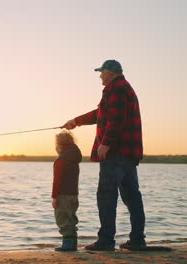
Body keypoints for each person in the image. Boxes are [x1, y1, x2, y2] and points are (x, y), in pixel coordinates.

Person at [62, 60, 146, 251]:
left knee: (106, 197)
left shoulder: (115, 89)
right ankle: (138, 240)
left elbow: (116, 119)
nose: (100, 76)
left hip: (116, 153)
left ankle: (106, 241)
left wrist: (106, 143)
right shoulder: (124, 88)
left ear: (110, 72)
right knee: (132, 197)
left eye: (102, 72)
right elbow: (101, 114)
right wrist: (75, 121)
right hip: (128, 154)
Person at [52, 131, 82, 251]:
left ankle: (68, 245)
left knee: (63, 219)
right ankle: (72, 244)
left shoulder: (61, 160)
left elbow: (57, 180)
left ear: (60, 145)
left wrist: (54, 197)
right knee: (71, 218)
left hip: (62, 194)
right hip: (73, 194)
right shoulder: (74, 159)